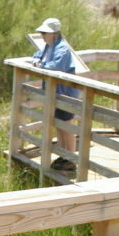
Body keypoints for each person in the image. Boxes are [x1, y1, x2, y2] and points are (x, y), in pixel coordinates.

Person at [31, 17, 78, 172]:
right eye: (42, 33)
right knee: (59, 124)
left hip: (65, 93)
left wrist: (41, 65)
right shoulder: (48, 47)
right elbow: (36, 56)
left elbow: (55, 67)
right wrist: (36, 61)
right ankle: (64, 155)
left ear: (54, 33)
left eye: (45, 33)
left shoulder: (62, 48)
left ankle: (71, 159)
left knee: (67, 124)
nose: (43, 35)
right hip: (54, 93)